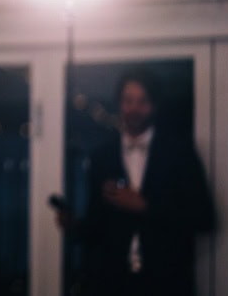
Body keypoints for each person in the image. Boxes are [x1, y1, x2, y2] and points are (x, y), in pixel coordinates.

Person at [54, 68, 214, 296]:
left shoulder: (179, 152)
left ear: (155, 106)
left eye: (142, 102)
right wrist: (75, 227)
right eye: (128, 101)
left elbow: (204, 218)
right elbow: (97, 226)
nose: (134, 109)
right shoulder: (102, 157)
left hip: (167, 282)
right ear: (119, 104)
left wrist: (146, 206)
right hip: (112, 283)